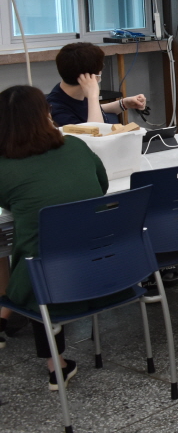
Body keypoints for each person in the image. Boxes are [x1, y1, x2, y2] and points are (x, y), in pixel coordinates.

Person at [0, 85, 116, 389]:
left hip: (45, 283)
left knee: (36, 254)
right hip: (110, 269)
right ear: (46, 115)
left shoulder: (5, 167)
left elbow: (10, 205)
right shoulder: (76, 147)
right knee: (48, 248)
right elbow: (101, 188)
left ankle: (56, 364)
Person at [46, 42, 146, 127]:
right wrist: (93, 95)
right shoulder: (58, 112)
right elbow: (96, 138)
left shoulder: (69, 93)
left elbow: (86, 110)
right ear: (91, 77)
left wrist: (124, 104)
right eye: (100, 70)